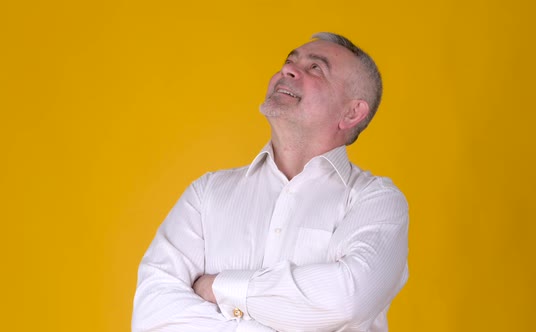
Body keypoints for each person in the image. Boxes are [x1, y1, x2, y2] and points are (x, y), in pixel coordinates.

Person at [132, 32, 408, 332]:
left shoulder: (375, 201)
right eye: (289, 61)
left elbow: (349, 301)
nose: (287, 70)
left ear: (352, 113)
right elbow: (153, 315)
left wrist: (218, 287)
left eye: (316, 68)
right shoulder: (206, 193)